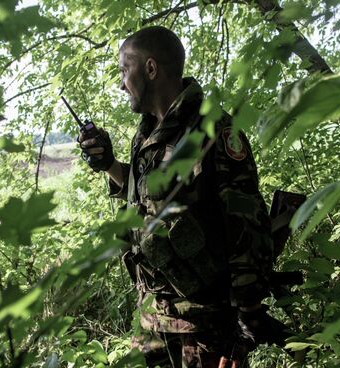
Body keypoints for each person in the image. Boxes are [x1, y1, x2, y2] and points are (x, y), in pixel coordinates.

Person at [78, 26, 278, 368]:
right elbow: (150, 195)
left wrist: (246, 323)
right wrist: (109, 164)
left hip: (204, 330)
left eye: (125, 70)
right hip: (152, 322)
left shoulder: (212, 130)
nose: (120, 82)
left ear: (151, 69)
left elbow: (246, 228)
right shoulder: (146, 134)